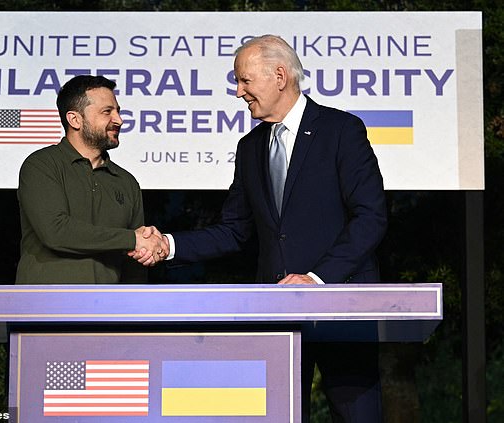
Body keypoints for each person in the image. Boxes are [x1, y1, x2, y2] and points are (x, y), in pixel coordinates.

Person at [131, 35, 387, 421]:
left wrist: (317, 279)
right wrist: (168, 245)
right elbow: (235, 230)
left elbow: (371, 217)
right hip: (276, 316)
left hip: (342, 306)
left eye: (244, 80)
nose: (238, 92)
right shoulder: (250, 147)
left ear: (280, 75)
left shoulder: (341, 130)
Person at [15, 75, 165, 284]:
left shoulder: (126, 182)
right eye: (107, 112)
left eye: (118, 111)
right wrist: (132, 239)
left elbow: (134, 262)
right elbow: (56, 231)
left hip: (107, 312)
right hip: (45, 309)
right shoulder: (42, 165)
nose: (119, 120)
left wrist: (133, 309)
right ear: (75, 119)